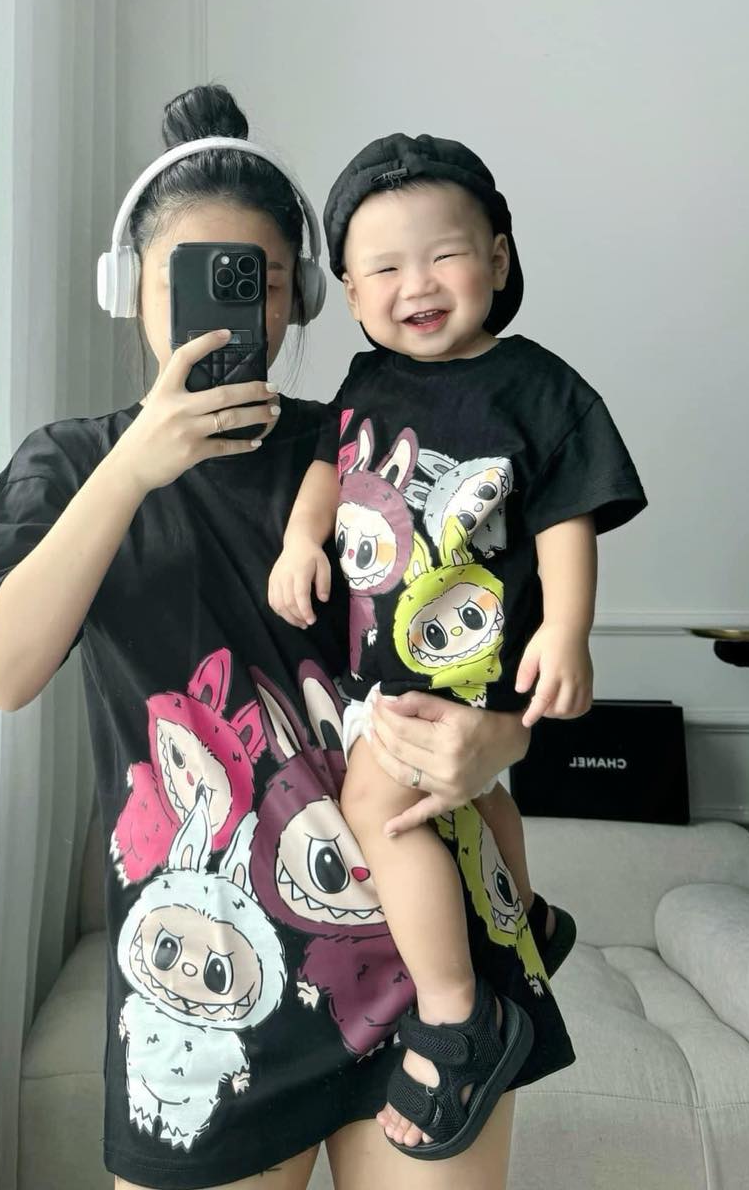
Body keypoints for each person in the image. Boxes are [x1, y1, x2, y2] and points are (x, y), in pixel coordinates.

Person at [0, 90, 575, 1190]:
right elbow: (4, 672)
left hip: (427, 973)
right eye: (188, 278)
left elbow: (497, 626)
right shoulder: (68, 464)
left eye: (263, 279)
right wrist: (135, 466)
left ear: (302, 297)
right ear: (128, 289)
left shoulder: (371, 439)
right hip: (201, 982)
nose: (231, 310)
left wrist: (504, 741)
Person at [269, 133, 646, 1160]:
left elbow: (566, 516)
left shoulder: (538, 388)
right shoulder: (367, 380)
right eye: (384, 268)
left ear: (499, 257)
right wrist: (303, 537)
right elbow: (326, 465)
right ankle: (532, 919)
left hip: (466, 671)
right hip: (389, 665)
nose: (418, 285)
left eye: (443, 255)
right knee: (480, 805)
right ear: (352, 292)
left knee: (378, 808)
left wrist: (567, 629)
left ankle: (456, 1015)